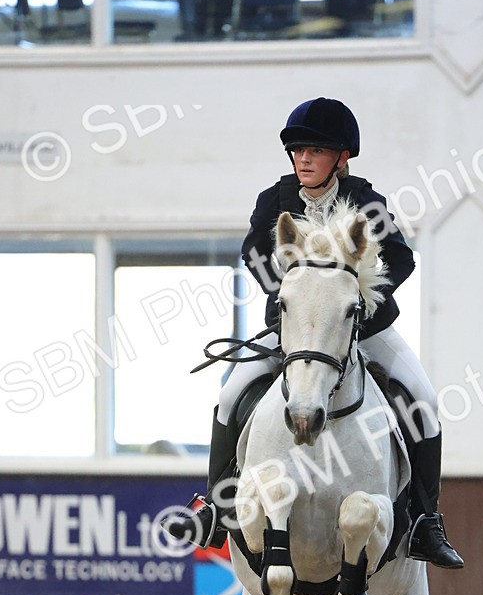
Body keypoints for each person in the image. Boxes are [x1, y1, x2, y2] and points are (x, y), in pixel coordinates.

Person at [172, 96, 464, 569]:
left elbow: (403, 259)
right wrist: (296, 304)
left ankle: (427, 520)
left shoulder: (367, 202)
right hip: (295, 332)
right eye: (297, 150)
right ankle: (214, 506)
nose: (303, 159)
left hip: (363, 330)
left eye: (316, 151)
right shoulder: (276, 200)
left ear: (342, 157)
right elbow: (253, 254)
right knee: (230, 394)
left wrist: (357, 307)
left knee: (424, 400)